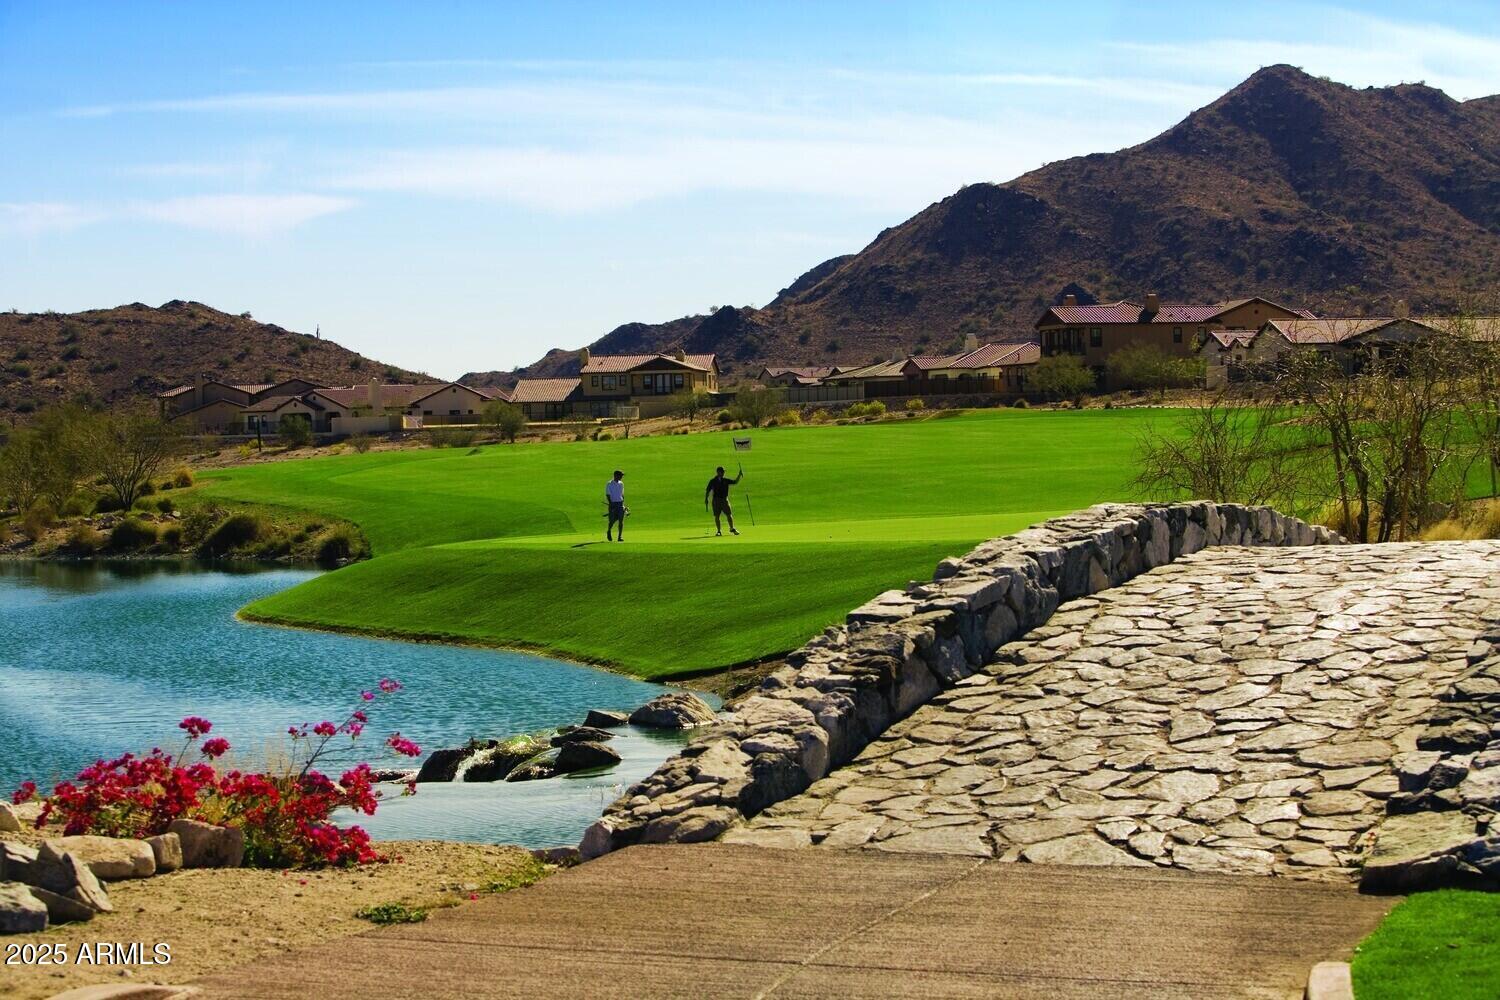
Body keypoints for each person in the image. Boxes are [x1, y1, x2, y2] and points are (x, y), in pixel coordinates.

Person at [704, 465, 742, 536]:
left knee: (729, 514)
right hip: (716, 500)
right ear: (718, 472)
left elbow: (735, 482)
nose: (723, 473)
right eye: (722, 472)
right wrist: (706, 498)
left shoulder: (725, 480)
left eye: (723, 472)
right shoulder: (713, 481)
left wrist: (739, 475)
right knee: (717, 516)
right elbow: (708, 490)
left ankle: (732, 528)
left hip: (724, 500)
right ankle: (719, 531)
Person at [605, 470, 626, 542]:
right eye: (620, 475)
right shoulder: (609, 484)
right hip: (613, 503)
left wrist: (623, 503)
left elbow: (622, 494)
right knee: (612, 521)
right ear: (616, 475)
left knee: (621, 520)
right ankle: (609, 531)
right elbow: (608, 494)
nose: (621, 477)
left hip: (620, 503)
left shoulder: (621, 483)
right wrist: (611, 503)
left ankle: (619, 537)